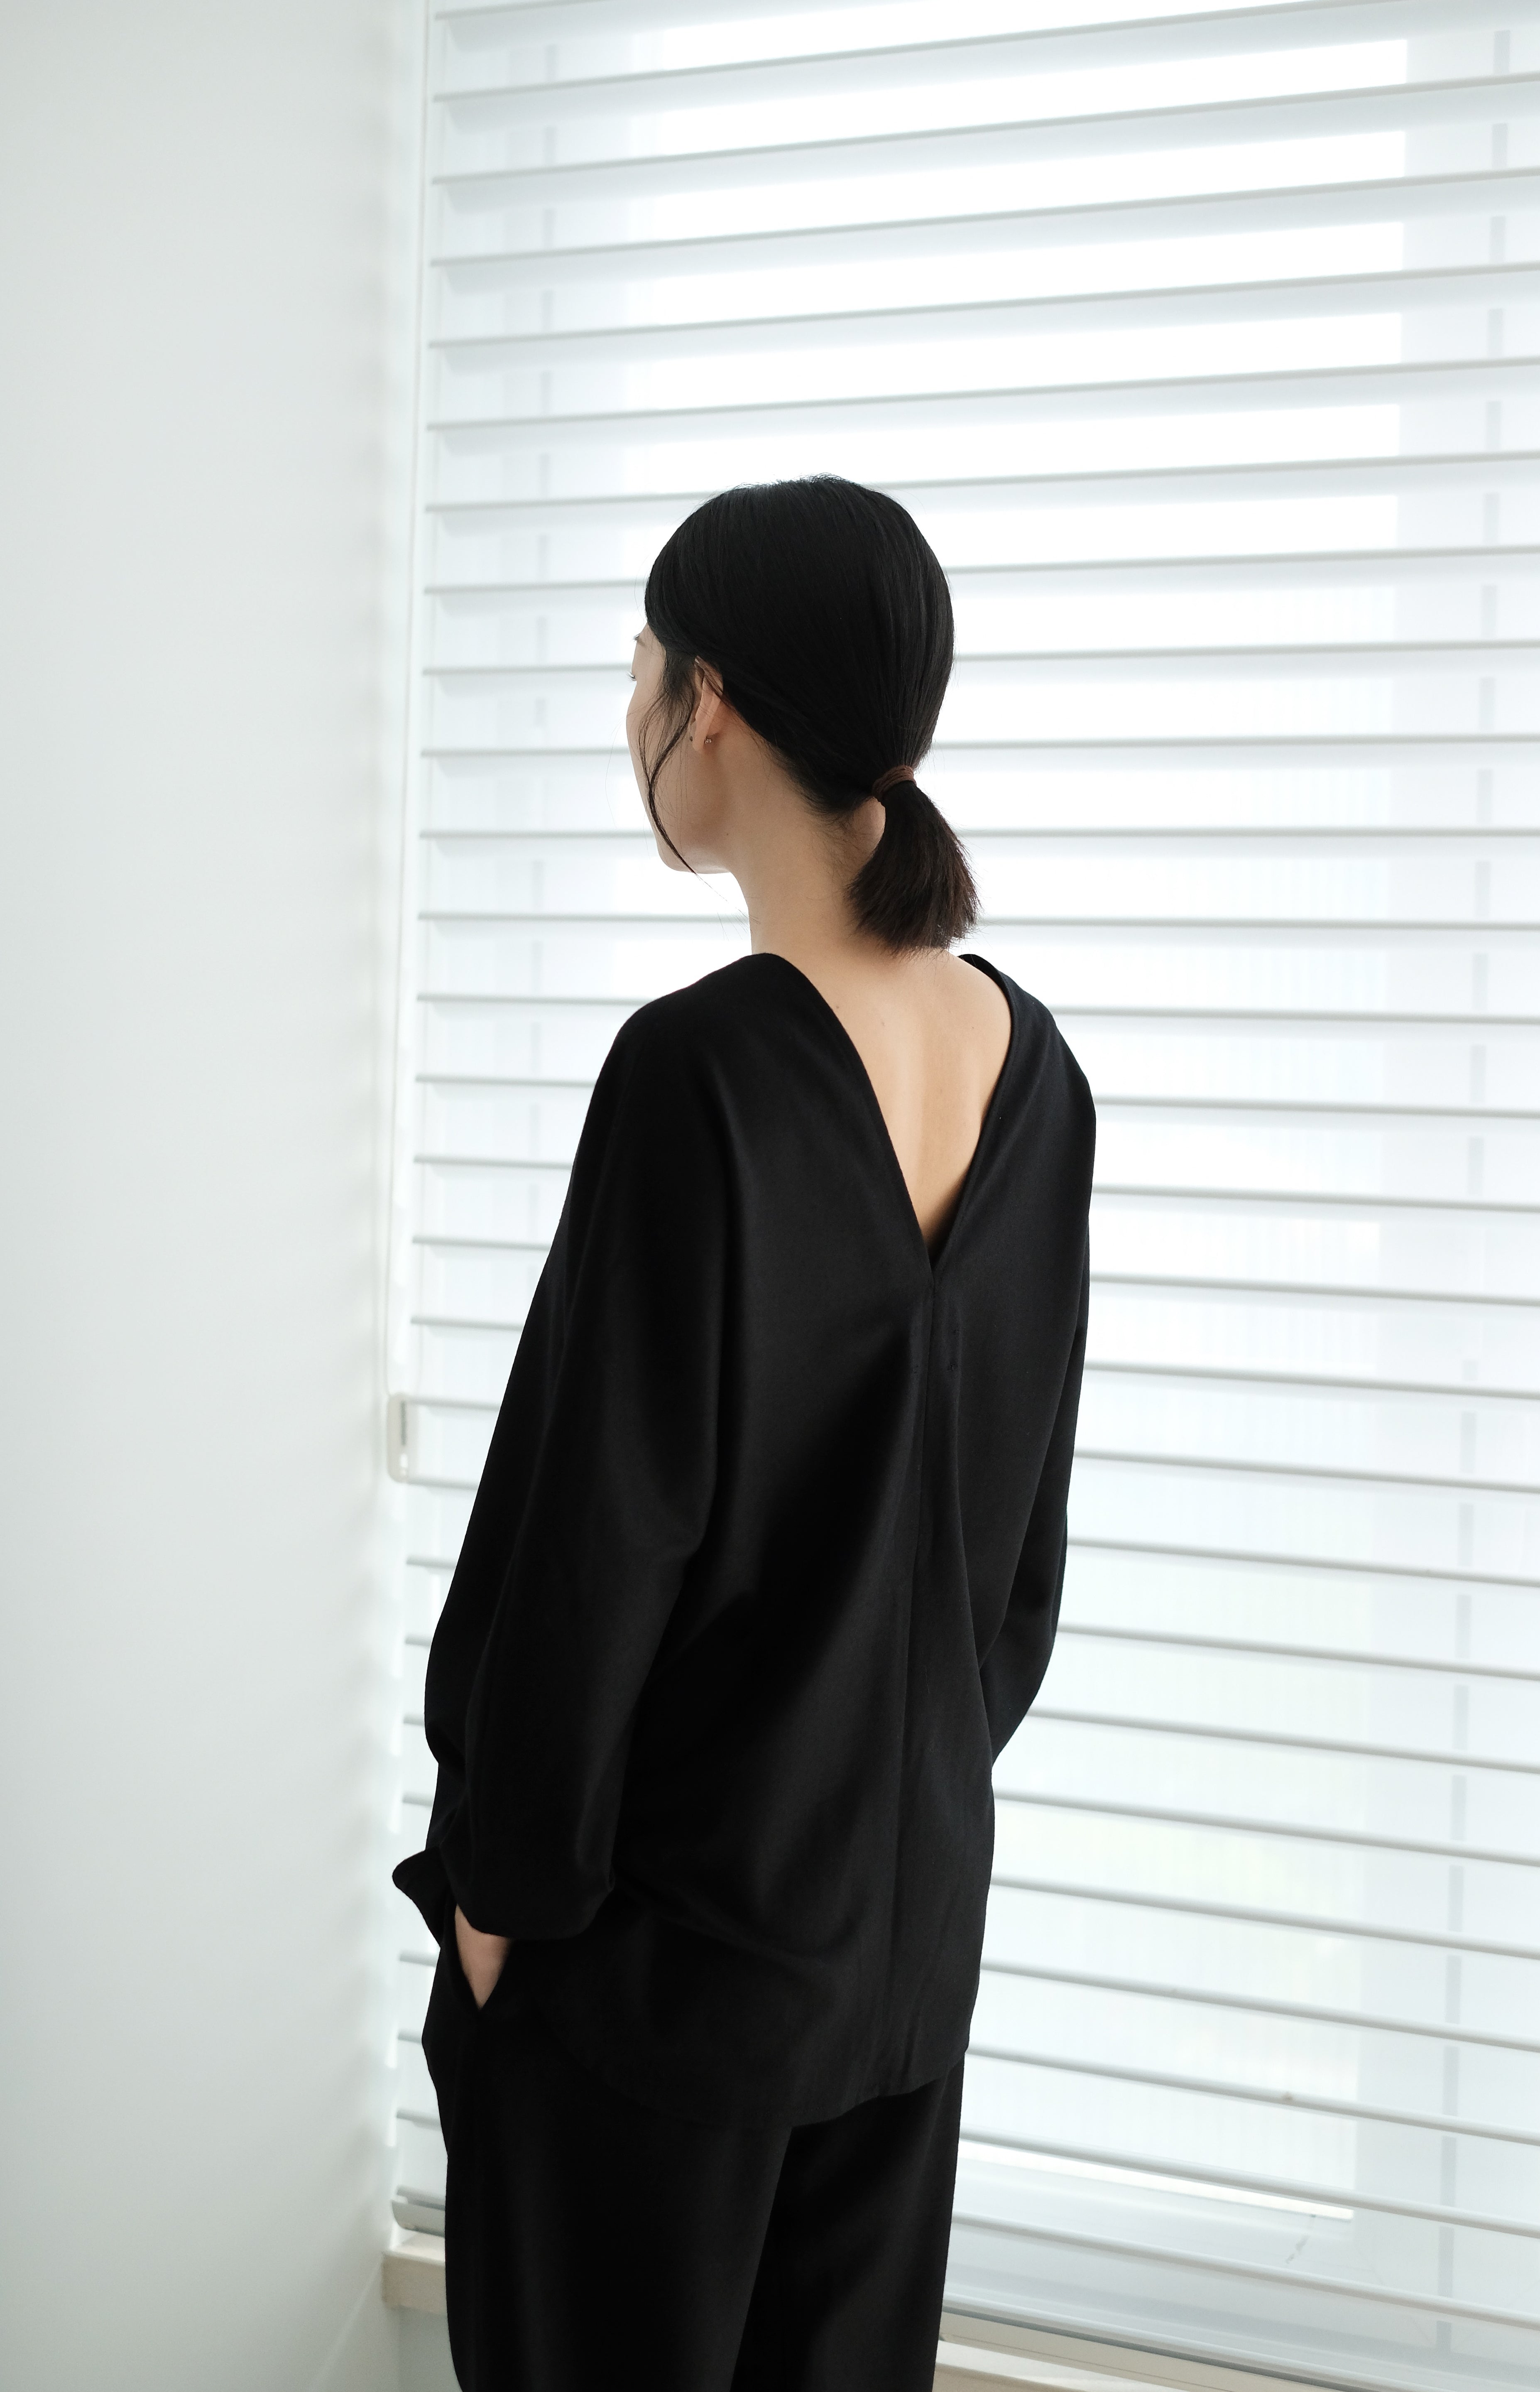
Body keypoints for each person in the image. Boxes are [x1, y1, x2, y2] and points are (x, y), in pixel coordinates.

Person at [394, 475, 1095, 2392]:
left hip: (660, 1977)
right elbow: (1014, 1572)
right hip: (898, 1955)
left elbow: (592, 1541)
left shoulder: (696, 1070)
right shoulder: (1038, 1072)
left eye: (641, 667)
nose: (632, 710)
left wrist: (500, 1902)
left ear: (707, 702)